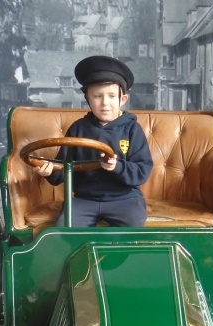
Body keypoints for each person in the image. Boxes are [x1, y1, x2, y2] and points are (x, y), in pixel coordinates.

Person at [33, 55, 153, 227]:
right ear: (88, 99)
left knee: (133, 223)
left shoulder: (132, 129)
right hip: (85, 200)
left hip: (124, 199)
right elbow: (62, 167)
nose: (105, 103)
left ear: (122, 99)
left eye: (112, 96)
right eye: (97, 96)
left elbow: (142, 169)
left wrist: (117, 166)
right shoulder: (77, 129)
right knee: (66, 227)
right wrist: (49, 171)